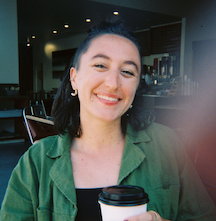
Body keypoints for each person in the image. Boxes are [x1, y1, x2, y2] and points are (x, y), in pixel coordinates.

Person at [0, 21, 216, 221]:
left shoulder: (167, 145)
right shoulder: (35, 164)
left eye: (127, 71)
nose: (113, 83)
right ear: (74, 78)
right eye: (100, 66)